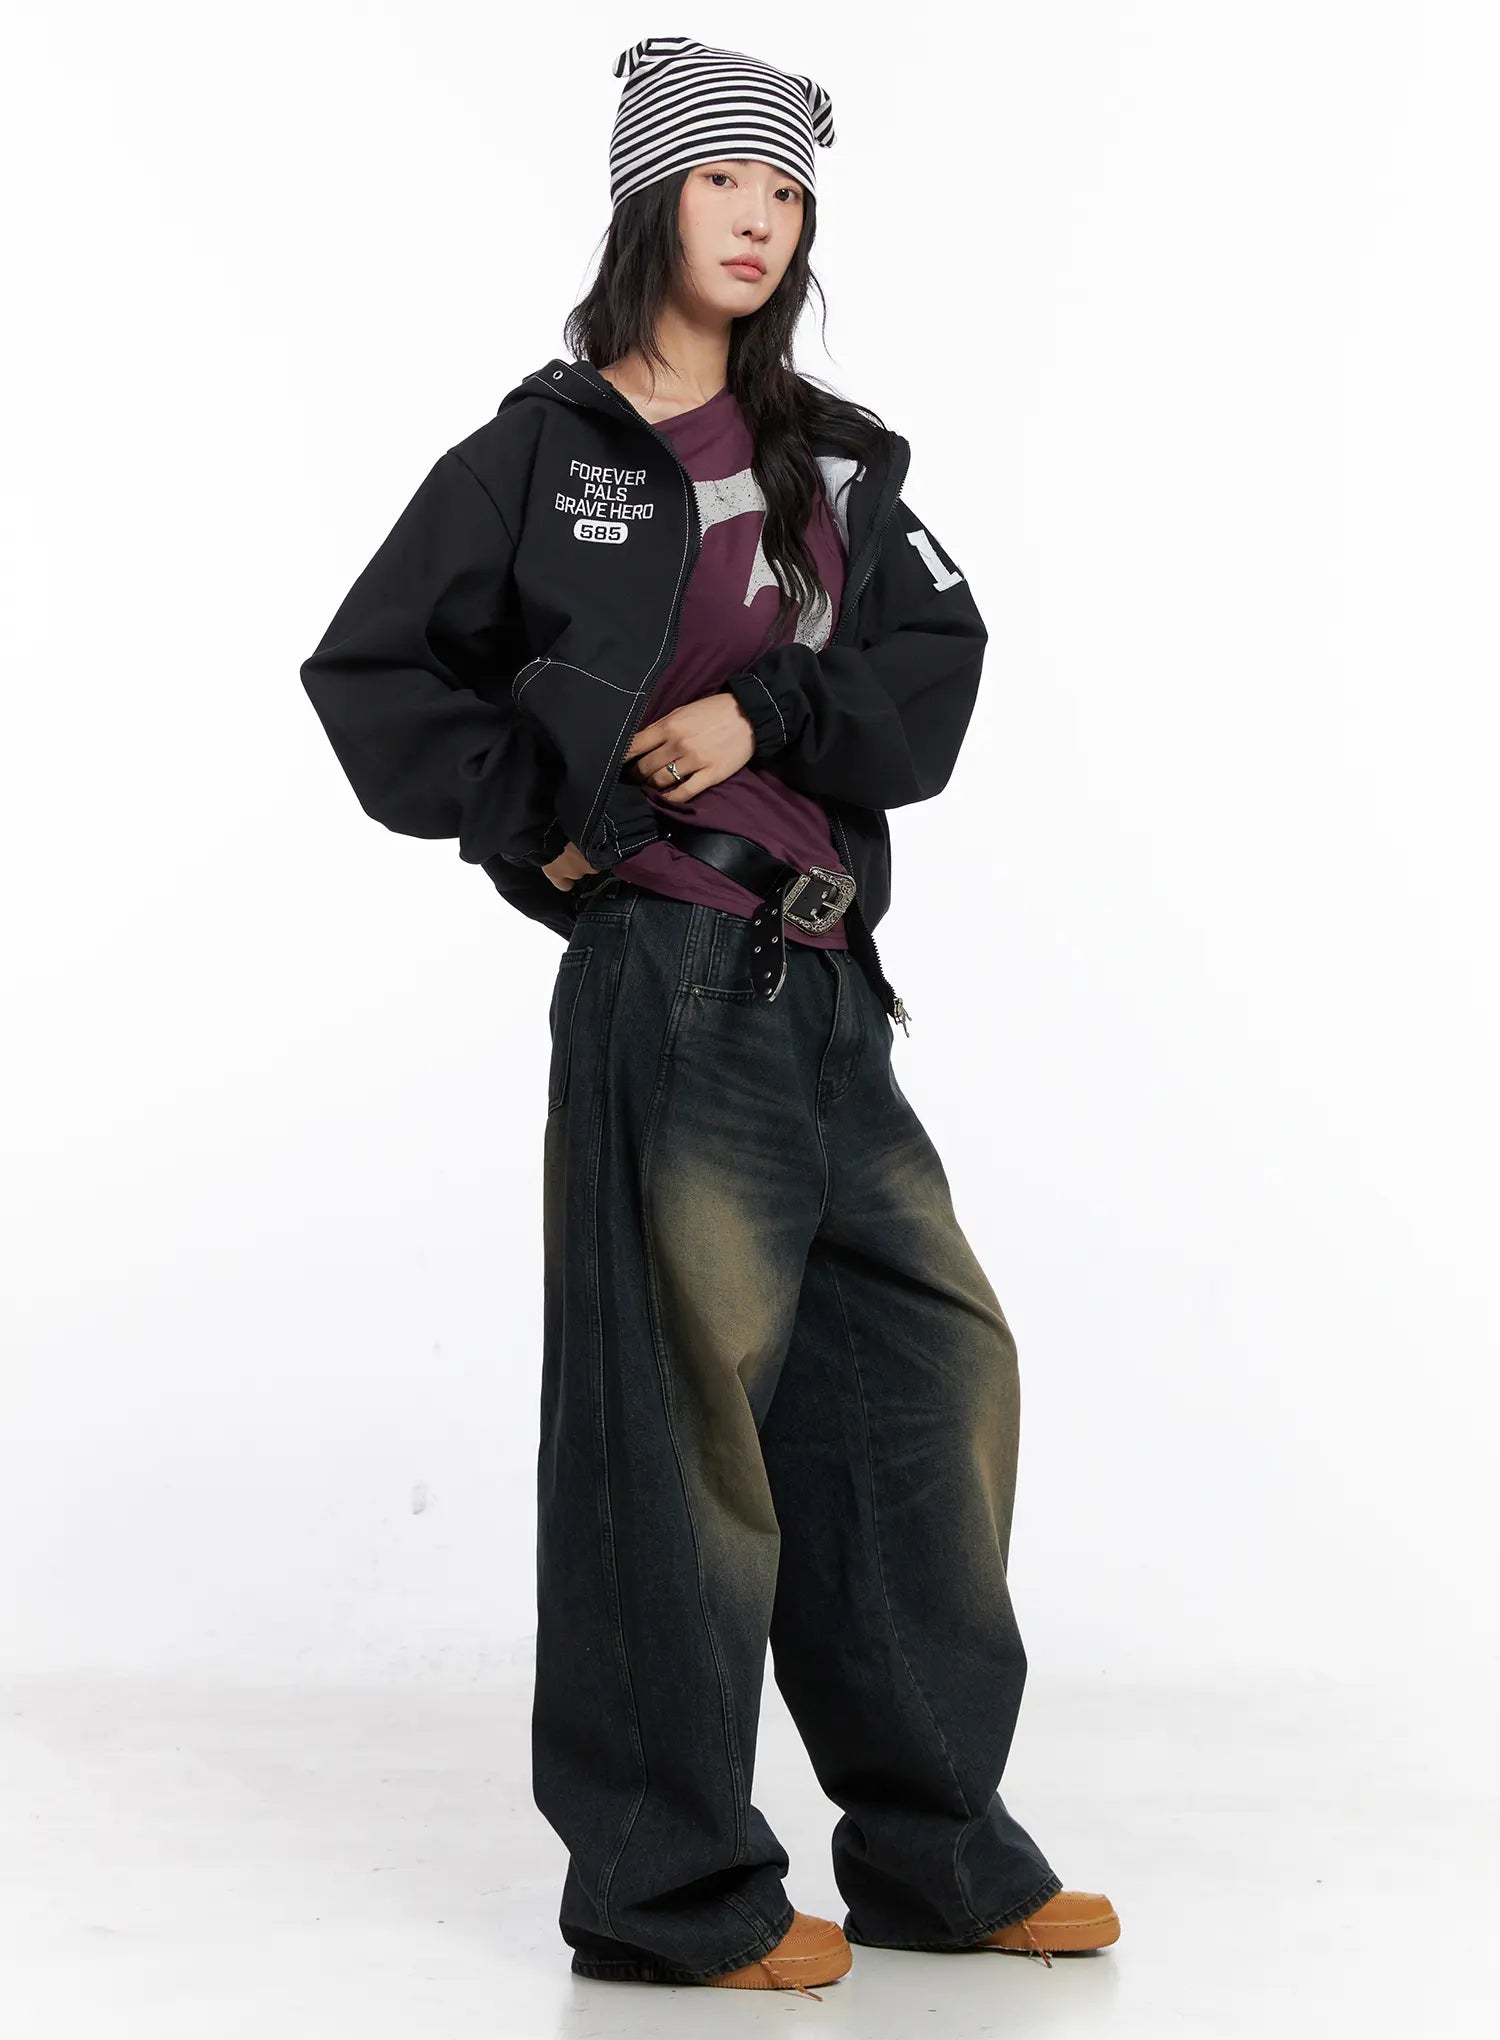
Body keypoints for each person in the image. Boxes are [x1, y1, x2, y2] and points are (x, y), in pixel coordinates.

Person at [299, 33, 1119, 1999]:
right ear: (650, 200)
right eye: (724, 180)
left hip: (830, 984)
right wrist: (547, 827)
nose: (761, 219)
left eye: (788, 192)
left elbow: (929, 678)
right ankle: (668, 1891)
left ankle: (937, 1855)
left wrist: (771, 711)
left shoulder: (839, 465)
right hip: (669, 976)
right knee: (672, 1443)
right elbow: (375, 674)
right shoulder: (543, 457)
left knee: (925, 1386)